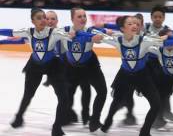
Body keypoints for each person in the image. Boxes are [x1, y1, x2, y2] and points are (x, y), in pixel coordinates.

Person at [92, 15, 173, 136]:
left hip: (142, 76)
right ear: (122, 28)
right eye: (130, 24)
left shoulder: (145, 39)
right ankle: (105, 128)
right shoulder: (117, 39)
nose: (135, 26)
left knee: (156, 104)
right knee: (116, 102)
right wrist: (99, 33)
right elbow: (94, 32)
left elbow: (166, 40)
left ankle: (145, 132)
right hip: (125, 76)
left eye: (136, 24)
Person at [0, 8, 71, 136]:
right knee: (28, 94)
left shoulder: (55, 32)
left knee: (64, 97)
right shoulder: (28, 32)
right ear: (32, 21)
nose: (44, 20)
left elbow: (73, 35)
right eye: (40, 18)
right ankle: (19, 117)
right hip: (34, 66)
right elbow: (10, 32)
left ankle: (57, 127)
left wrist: (83, 36)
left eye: (45, 17)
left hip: (54, 66)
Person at [62, 7, 107, 132]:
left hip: (89, 66)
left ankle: (94, 120)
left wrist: (105, 32)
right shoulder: (64, 31)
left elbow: (103, 33)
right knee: (66, 93)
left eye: (84, 16)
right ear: (72, 19)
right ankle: (66, 116)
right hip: (70, 67)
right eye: (79, 16)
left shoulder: (91, 30)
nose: (83, 19)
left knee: (102, 91)